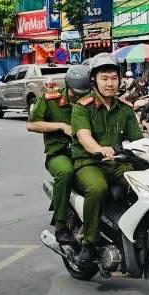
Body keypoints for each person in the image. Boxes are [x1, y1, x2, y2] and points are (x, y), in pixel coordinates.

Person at [70, 54, 143, 264]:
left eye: (114, 78)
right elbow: (84, 137)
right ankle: (89, 243)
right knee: (97, 188)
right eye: (104, 78)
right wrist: (100, 149)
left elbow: (138, 141)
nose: (110, 83)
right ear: (94, 80)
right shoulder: (82, 107)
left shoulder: (125, 110)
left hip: (117, 163)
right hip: (89, 163)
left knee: (143, 184)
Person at [28, 64, 89, 246]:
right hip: (60, 153)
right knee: (66, 172)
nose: (79, 97)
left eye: (83, 94)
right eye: (75, 93)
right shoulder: (50, 100)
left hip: (85, 153)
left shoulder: (90, 101)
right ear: (68, 86)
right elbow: (32, 125)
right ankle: (61, 225)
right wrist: (61, 126)